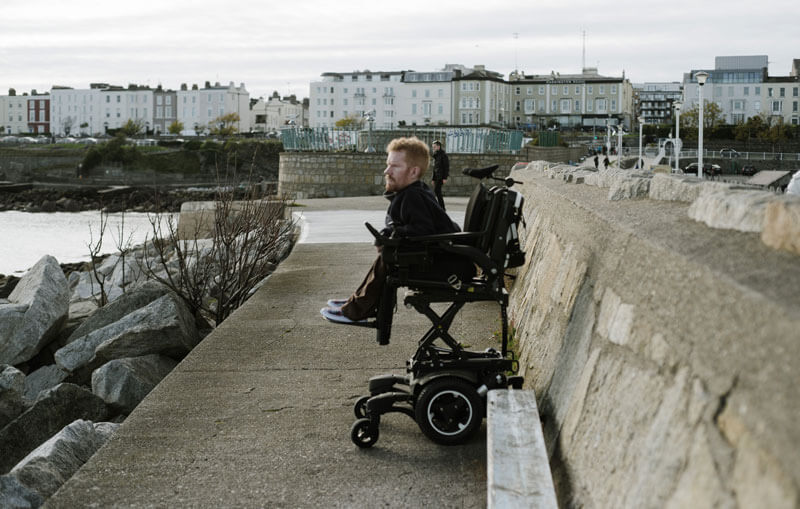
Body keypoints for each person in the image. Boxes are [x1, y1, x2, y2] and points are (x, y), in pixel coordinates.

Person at [321, 137, 472, 324]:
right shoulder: (415, 191)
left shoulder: (412, 196)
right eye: (388, 165)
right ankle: (357, 303)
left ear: (413, 171)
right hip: (447, 260)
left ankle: (357, 309)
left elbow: (422, 230)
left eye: (394, 166)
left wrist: (393, 235)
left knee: (389, 256)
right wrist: (389, 235)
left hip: (446, 268)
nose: (387, 171)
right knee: (388, 254)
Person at [430, 140, 450, 210]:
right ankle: (440, 207)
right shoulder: (436, 155)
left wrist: (445, 178)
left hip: (441, 177)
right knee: (436, 191)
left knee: (437, 191)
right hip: (436, 177)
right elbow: (434, 168)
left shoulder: (443, 155)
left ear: (439, 147)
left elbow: (446, 167)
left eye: (434, 147)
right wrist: (433, 178)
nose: (433, 148)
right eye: (433, 147)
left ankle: (442, 207)